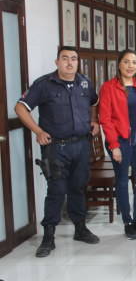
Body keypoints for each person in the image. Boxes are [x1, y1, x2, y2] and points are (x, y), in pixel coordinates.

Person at [14, 46, 100, 258]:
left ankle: (80, 228)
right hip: (56, 147)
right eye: (65, 59)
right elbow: (20, 107)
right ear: (57, 62)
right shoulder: (44, 84)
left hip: (81, 145)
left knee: (77, 188)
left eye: (73, 59)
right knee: (56, 191)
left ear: (78, 62)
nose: (69, 62)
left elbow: (94, 102)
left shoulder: (85, 83)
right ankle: (48, 236)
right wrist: (38, 131)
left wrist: (93, 120)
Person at [99, 49, 136, 240]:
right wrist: (113, 144)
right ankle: (127, 221)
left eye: (134, 62)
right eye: (126, 62)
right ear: (119, 64)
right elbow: (105, 119)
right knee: (122, 181)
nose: (131, 66)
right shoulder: (108, 87)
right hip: (120, 140)